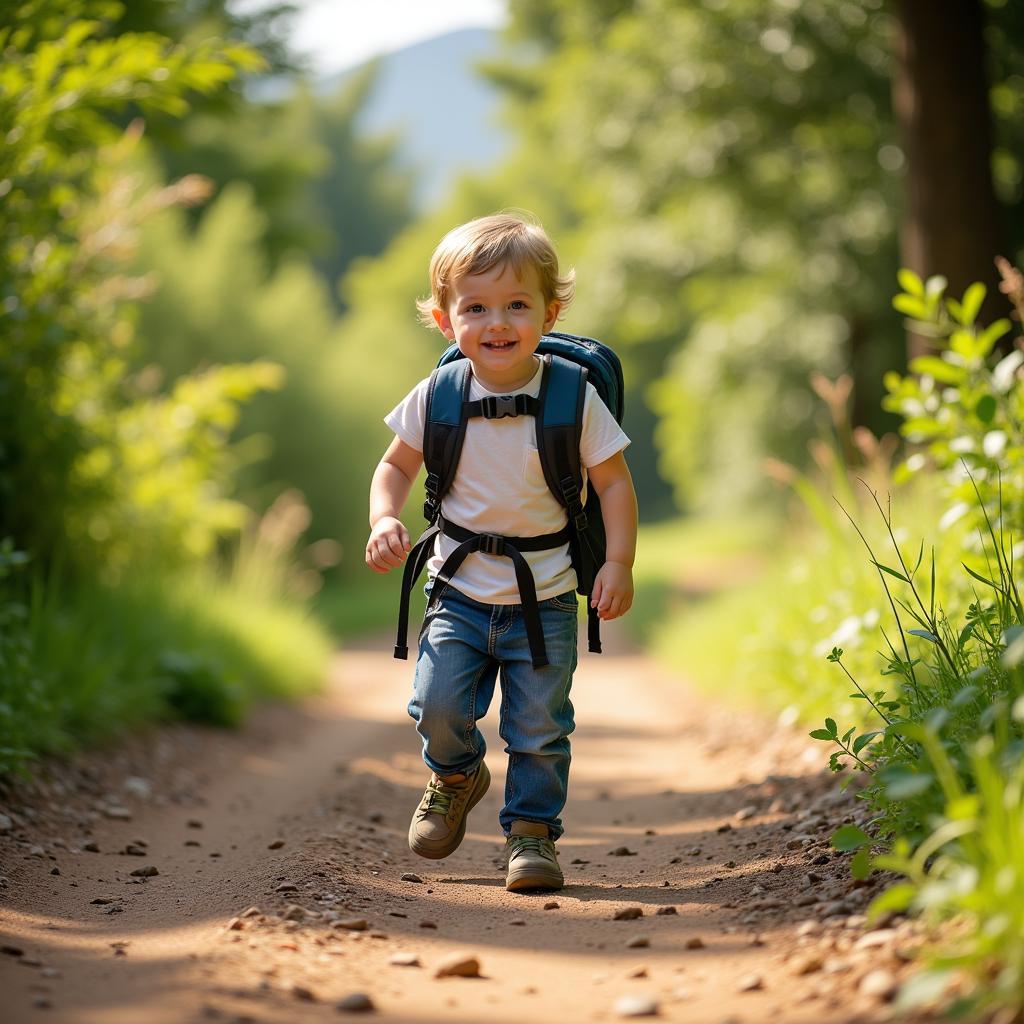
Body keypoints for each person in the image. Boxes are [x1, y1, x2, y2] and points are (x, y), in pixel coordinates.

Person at [365, 212, 637, 892]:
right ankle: (458, 776)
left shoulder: (573, 398)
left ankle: (532, 839)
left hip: (542, 595)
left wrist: (619, 561)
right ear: (443, 318)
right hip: (456, 588)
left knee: (540, 728)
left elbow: (613, 483)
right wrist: (381, 518)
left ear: (550, 312)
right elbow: (394, 467)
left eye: (518, 305)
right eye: (476, 306)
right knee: (436, 706)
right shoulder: (439, 394)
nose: (498, 322)